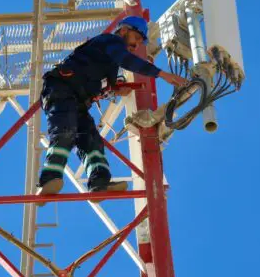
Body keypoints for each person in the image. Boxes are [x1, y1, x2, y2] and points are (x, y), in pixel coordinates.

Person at [36, 16, 187, 202]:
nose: (137, 44)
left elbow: (102, 80)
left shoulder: (109, 61)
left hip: (78, 100)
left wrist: (115, 88)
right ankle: (49, 180)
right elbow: (127, 60)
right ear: (124, 30)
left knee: (91, 142)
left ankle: (99, 183)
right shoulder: (111, 41)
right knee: (65, 131)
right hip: (61, 89)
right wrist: (161, 74)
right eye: (136, 38)